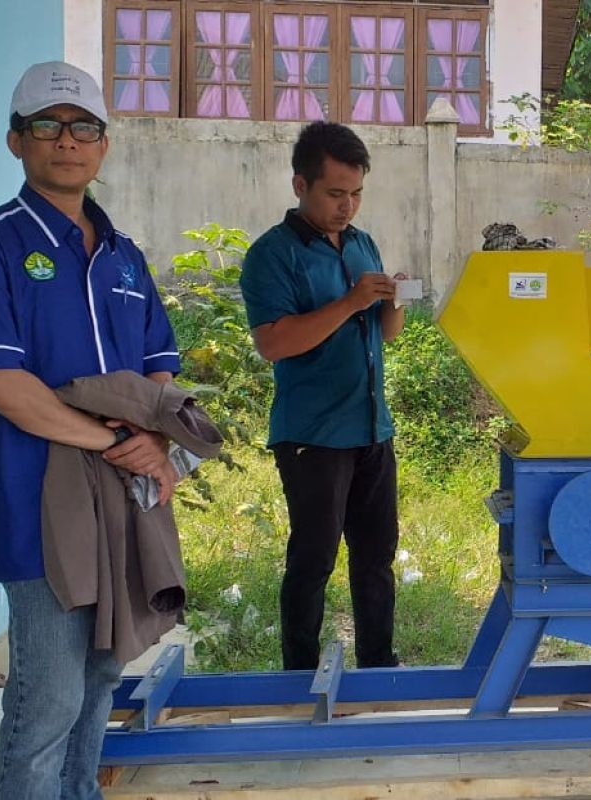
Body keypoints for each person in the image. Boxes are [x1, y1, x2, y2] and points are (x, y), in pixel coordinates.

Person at [0, 62, 181, 799]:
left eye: (83, 127)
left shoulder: (123, 256)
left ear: (103, 145)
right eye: (46, 125)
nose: (67, 140)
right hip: (36, 507)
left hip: (125, 500)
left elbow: (158, 372)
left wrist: (157, 441)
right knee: (47, 698)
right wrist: (115, 442)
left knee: (103, 675)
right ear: (16, 141)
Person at [240, 122, 407, 671]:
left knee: (376, 560)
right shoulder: (273, 255)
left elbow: (385, 335)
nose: (347, 206)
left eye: (356, 193)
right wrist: (352, 303)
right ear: (300, 185)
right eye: (335, 193)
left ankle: (379, 668)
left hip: (371, 429)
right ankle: (298, 675)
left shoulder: (363, 244)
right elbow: (274, 342)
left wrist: (391, 305)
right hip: (313, 433)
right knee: (313, 560)